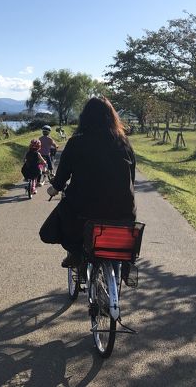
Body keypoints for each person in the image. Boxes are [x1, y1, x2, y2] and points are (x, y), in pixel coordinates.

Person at [39, 97, 136, 267]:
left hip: (84, 212)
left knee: (56, 224)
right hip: (123, 212)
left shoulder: (76, 142)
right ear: (112, 117)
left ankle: (75, 253)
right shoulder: (123, 142)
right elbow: (131, 177)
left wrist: (54, 189)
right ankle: (123, 265)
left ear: (85, 117)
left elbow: (62, 176)